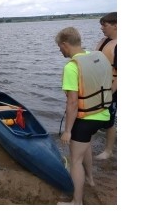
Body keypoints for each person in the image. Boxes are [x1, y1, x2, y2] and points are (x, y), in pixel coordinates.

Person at [55, 27, 113, 205]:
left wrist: (67, 131)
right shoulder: (97, 56)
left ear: (65, 44)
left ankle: (76, 203)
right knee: (85, 146)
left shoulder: (72, 67)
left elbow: (72, 103)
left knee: (75, 161)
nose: (60, 51)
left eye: (59, 47)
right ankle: (90, 180)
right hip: (104, 114)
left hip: (86, 119)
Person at [94, 12, 117, 160]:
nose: (102, 28)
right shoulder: (103, 41)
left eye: (105, 25)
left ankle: (108, 151)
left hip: (112, 89)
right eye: (101, 25)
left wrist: (110, 93)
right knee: (97, 116)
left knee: (110, 120)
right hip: (99, 86)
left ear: (116, 25)